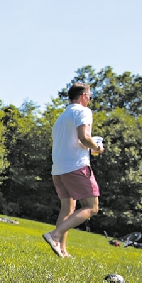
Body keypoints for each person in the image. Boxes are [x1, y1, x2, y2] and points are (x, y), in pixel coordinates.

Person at [42, 82, 104, 258]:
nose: (90, 99)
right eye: (90, 96)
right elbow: (84, 138)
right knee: (91, 207)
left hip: (58, 169)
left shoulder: (61, 118)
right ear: (84, 96)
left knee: (67, 209)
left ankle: (62, 250)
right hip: (76, 167)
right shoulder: (83, 111)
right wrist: (97, 148)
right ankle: (54, 235)